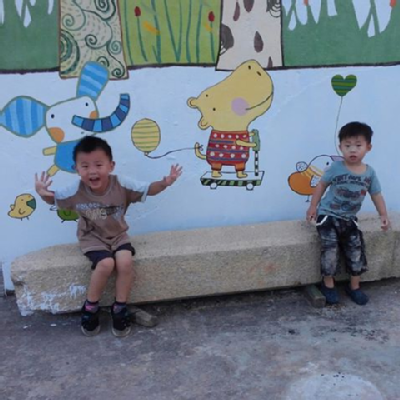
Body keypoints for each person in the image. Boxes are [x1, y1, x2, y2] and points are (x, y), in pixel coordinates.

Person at [35, 136, 182, 337]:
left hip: (118, 235)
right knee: (106, 264)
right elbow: (54, 198)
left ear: (111, 166)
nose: (92, 171)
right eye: (85, 166)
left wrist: (165, 183)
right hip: (92, 238)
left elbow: (148, 189)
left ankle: (119, 307)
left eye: (98, 164)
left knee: (125, 262)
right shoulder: (75, 190)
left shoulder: (121, 184)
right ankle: (90, 307)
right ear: (76, 169)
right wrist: (42, 192)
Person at [306, 122, 390, 306]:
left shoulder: (369, 173)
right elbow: (321, 185)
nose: (352, 150)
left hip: (349, 219)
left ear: (368, 147)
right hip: (328, 215)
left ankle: (354, 287)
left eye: (358, 145)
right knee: (330, 249)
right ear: (340, 147)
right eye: (347, 145)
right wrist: (313, 206)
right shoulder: (335, 168)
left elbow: (376, 194)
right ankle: (328, 285)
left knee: (356, 250)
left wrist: (383, 214)